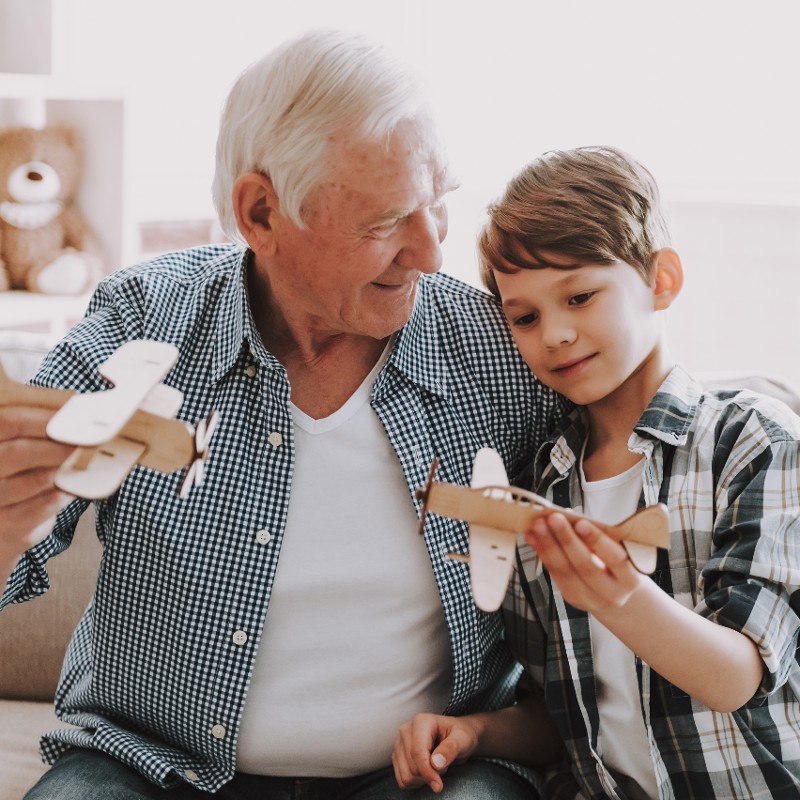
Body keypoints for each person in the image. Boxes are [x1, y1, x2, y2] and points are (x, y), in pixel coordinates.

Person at [0, 28, 567, 800]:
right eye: (386, 221)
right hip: (146, 762)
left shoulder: (500, 350)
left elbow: (636, 459)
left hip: (428, 776)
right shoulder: (143, 317)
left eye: (438, 205)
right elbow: (19, 555)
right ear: (261, 213)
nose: (431, 253)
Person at [391, 146, 800, 798]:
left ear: (661, 280)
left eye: (579, 296)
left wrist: (620, 597)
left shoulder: (752, 441)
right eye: (524, 316)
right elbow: (565, 715)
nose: (553, 333)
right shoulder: (542, 487)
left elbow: (737, 675)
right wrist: (475, 733)